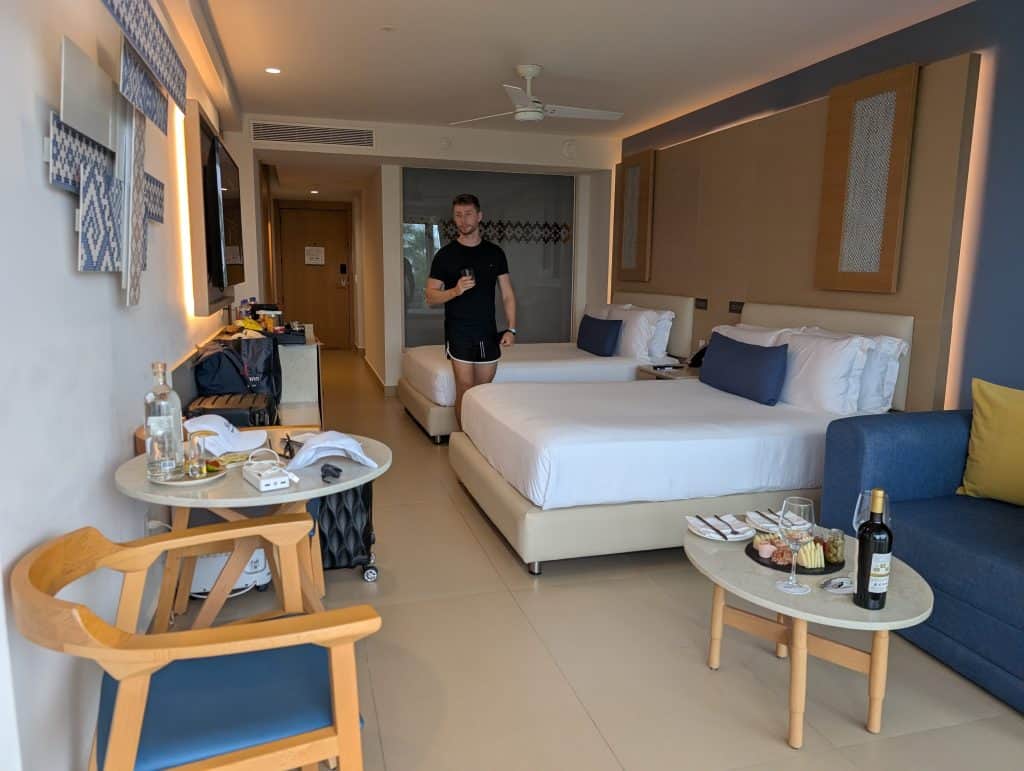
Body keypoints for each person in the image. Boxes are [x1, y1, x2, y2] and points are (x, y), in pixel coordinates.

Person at [425, 193, 517, 426]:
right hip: (459, 331)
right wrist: (455, 291)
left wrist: (511, 329)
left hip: (487, 330)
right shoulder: (445, 256)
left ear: (479, 216)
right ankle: (465, 437)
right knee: (465, 388)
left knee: (484, 391)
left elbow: (507, 294)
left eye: (468, 214)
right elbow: (430, 296)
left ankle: (479, 437)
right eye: (458, 215)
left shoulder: (495, 253)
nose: (463, 220)